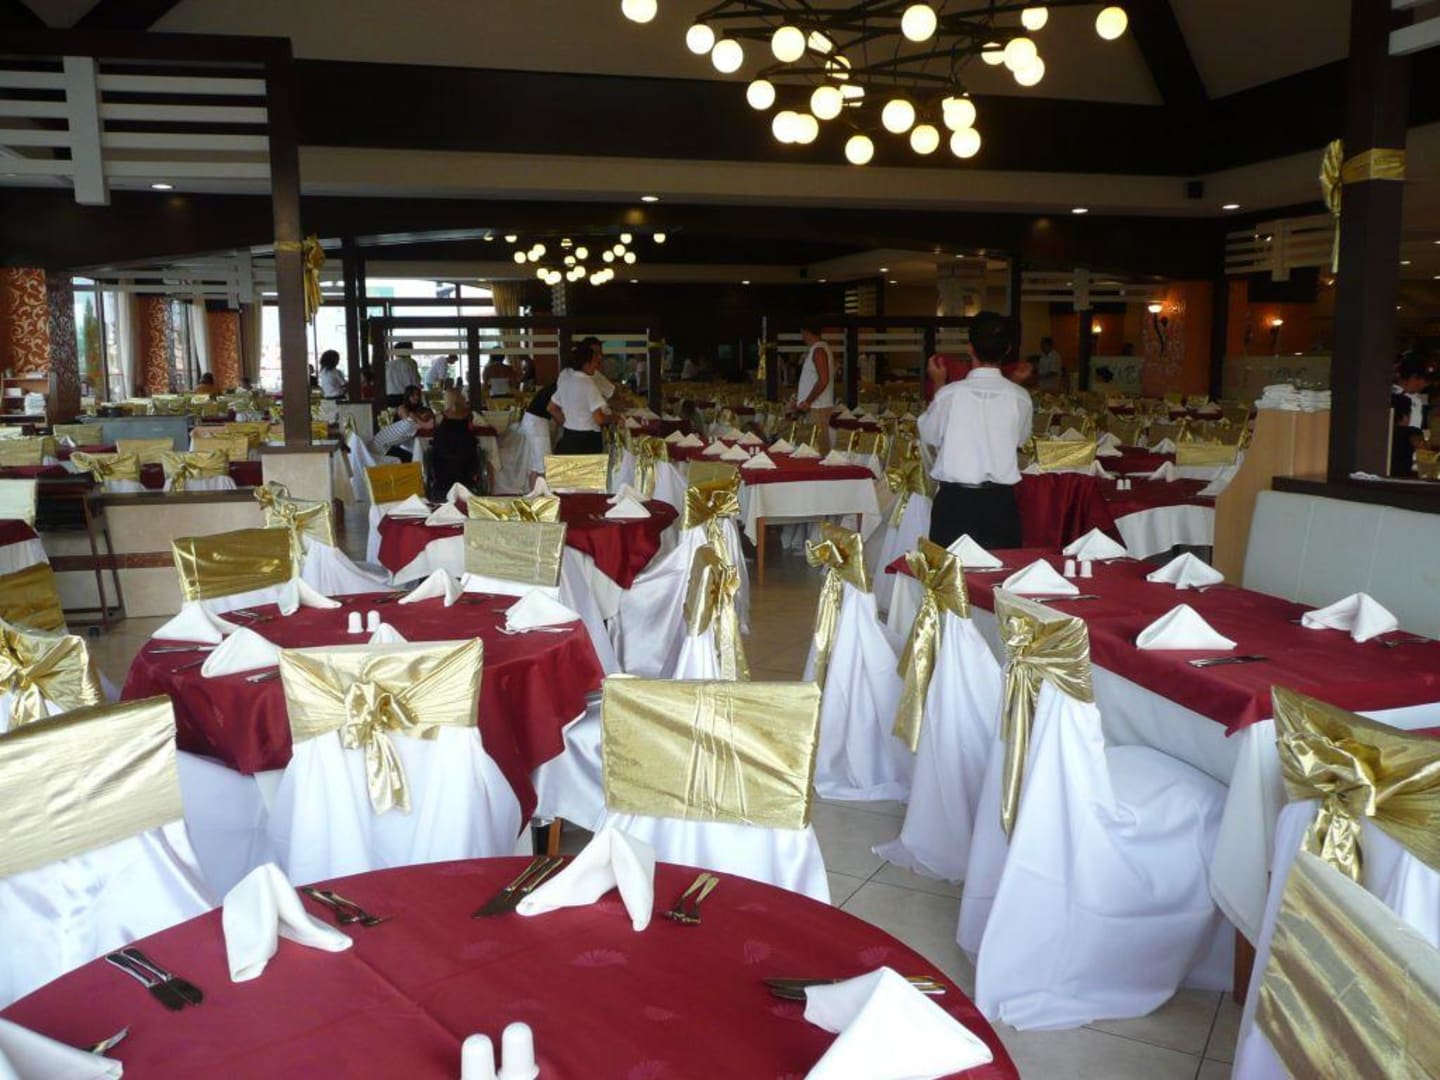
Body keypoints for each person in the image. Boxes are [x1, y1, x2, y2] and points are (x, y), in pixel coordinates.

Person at [919, 310, 1033, 550]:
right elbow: (1020, 440)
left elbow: (929, 435)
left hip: (955, 504)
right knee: (1001, 572)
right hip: (1001, 505)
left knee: (951, 573)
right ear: (1007, 349)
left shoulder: (950, 395)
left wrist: (938, 384)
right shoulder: (1020, 397)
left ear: (970, 348)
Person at [549, 342, 612, 454]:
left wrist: (568, 423)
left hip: (569, 437)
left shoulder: (567, 381)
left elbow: (551, 408)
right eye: (595, 362)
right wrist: (613, 418)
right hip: (588, 440)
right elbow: (599, 419)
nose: (597, 365)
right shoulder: (589, 385)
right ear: (586, 365)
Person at [428, 388, 482, 496]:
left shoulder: (441, 415)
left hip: (443, 458)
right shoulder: (469, 415)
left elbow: (429, 426)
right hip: (466, 457)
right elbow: (484, 425)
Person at [795, 319, 836, 451]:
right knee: (812, 446)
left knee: (818, 446)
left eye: (802, 334)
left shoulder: (819, 351)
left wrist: (808, 401)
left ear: (806, 332)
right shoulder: (818, 349)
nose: (802, 337)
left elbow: (823, 380)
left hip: (817, 407)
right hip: (815, 406)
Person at [1392, 355, 1430, 477]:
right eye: (1423, 380)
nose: (1424, 385)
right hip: (1394, 458)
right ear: (1414, 377)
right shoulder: (1390, 395)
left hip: (1413, 462)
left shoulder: (1418, 400)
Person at [385, 341, 421, 405]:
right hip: (406, 398)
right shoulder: (410, 363)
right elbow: (416, 382)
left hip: (389, 398)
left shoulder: (388, 364)